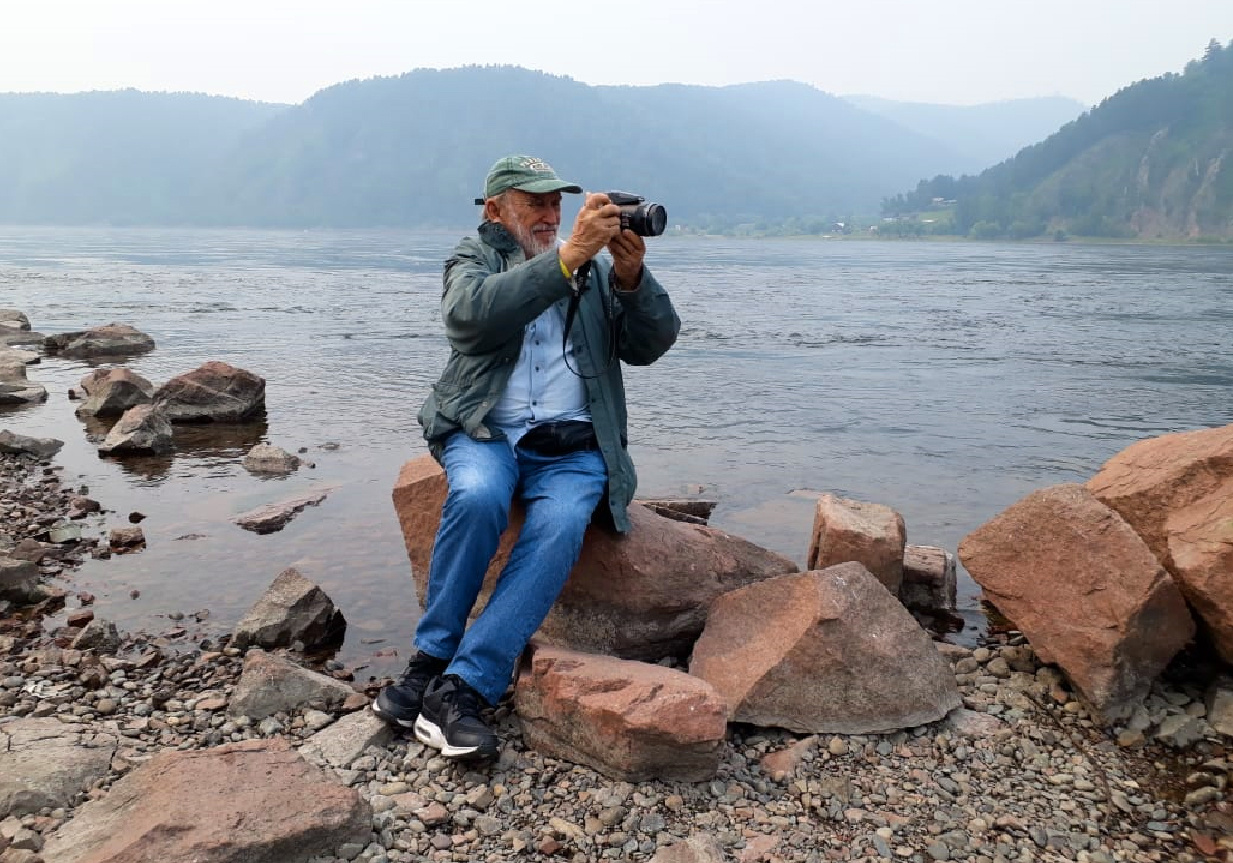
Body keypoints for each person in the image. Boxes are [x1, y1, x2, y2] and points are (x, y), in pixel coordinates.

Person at [373, 155, 680, 759]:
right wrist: (566, 261)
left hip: (571, 443)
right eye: (535, 202)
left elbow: (651, 345)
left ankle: (461, 687)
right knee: (480, 494)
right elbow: (471, 319)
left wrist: (631, 281)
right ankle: (431, 656)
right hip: (485, 428)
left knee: (563, 521)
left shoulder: (592, 267)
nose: (550, 214)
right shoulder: (474, 257)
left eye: (556, 203)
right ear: (495, 209)